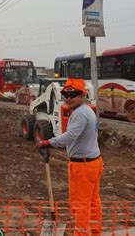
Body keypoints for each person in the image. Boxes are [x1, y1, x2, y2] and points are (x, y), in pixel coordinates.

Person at [36, 78, 103, 236]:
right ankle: (94, 232)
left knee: (80, 205)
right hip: (93, 162)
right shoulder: (87, 111)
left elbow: (70, 136)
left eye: (73, 94)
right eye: (66, 94)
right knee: (93, 203)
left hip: (83, 166)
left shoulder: (80, 114)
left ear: (82, 95)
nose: (69, 98)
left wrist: (48, 142)